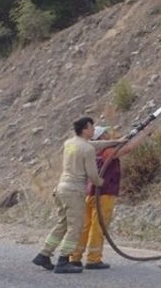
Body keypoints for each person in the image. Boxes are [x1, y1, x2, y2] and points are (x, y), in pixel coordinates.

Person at [32, 117, 103, 274]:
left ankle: (44, 254)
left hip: (61, 189)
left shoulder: (69, 143)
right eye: (92, 128)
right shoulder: (88, 149)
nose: (93, 130)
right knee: (75, 226)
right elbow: (92, 174)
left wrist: (117, 142)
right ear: (85, 129)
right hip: (74, 192)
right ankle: (63, 260)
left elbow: (92, 145)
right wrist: (100, 182)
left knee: (62, 223)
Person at [69, 125, 127, 270]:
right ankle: (93, 259)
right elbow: (127, 149)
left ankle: (74, 257)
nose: (109, 134)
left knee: (84, 226)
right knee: (98, 226)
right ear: (101, 138)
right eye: (106, 133)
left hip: (88, 193)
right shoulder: (106, 151)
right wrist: (144, 134)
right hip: (103, 194)